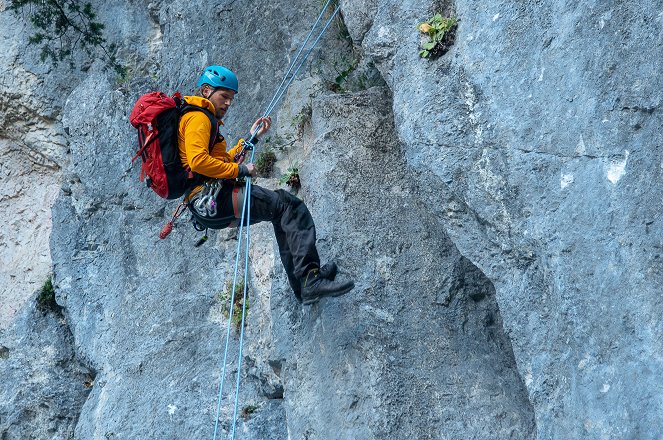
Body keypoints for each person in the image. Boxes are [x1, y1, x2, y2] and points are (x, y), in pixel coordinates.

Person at [178, 65, 354, 305]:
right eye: (224, 96)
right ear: (206, 90)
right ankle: (310, 280)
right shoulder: (198, 117)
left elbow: (217, 161)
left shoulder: (203, 118)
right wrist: (240, 170)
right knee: (288, 206)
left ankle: (304, 288)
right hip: (213, 199)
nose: (228, 103)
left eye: (231, 98)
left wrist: (251, 139)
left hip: (208, 205)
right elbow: (199, 162)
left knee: (280, 212)